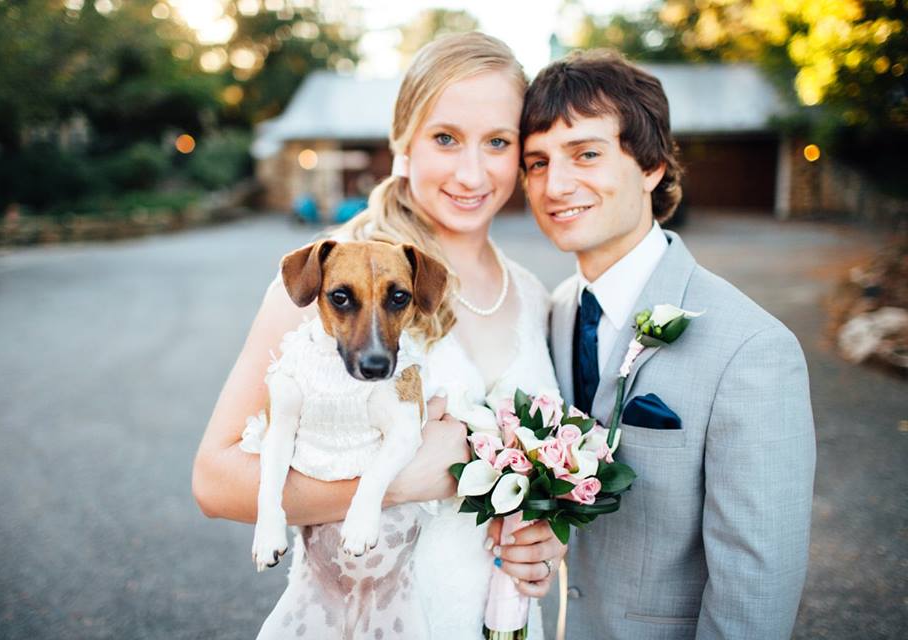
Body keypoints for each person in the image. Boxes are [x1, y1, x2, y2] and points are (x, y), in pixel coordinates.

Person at [192, 32, 567, 639]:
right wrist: (404, 481)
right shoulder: (334, 280)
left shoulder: (534, 294)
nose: (472, 172)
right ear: (403, 139)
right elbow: (213, 479)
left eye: (497, 142)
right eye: (445, 138)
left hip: (495, 618)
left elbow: (531, 481)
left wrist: (542, 544)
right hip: (359, 618)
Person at [519, 50, 817, 639]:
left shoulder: (753, 349)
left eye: (587, 154)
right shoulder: (551, 314)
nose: (555, 184)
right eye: (536, 162)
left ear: (651, 163)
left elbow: (757, 588)